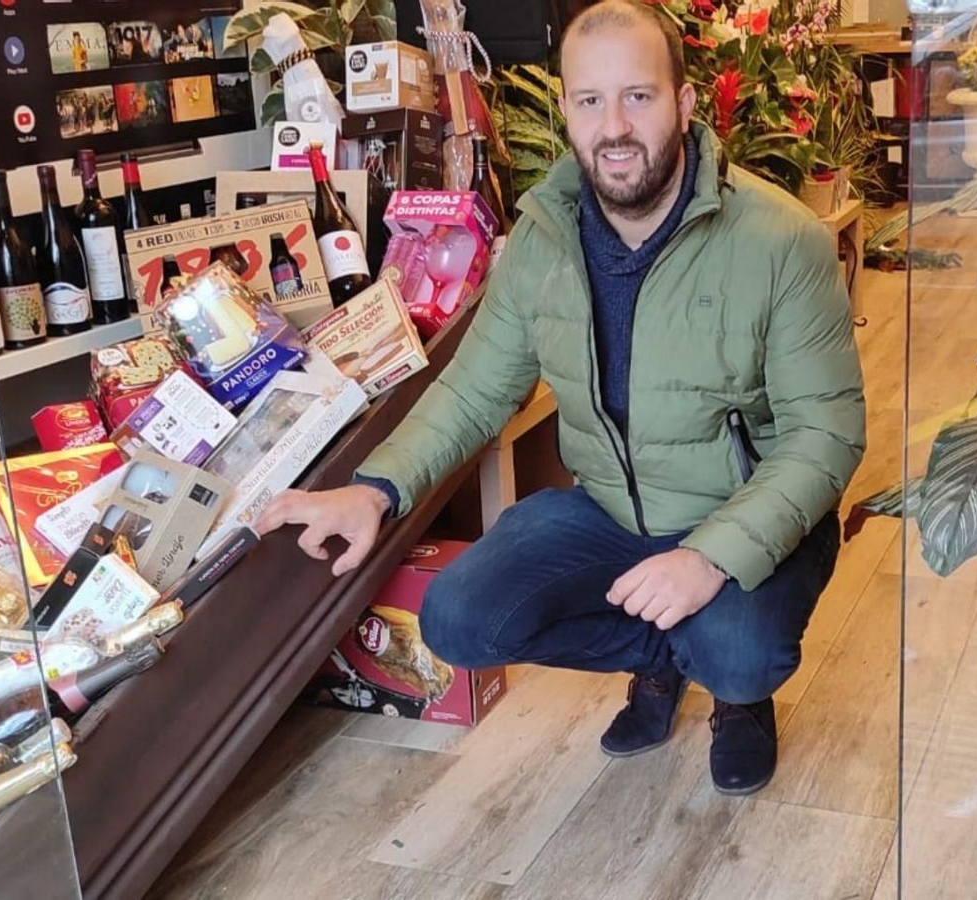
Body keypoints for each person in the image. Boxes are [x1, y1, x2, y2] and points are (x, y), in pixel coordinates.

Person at [257, 0, 864, 795]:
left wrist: (709, 558)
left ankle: (735, 694)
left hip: (742, 510)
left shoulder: (781, 241)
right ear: (567, 112)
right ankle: (665, 656)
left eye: (638, 96)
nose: (615, 127)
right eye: (590, 101)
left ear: (684, 102)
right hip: (610, 509)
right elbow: (475, 389)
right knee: (458, 619)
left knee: (740, 656)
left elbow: (825, 436)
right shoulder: (543, 239)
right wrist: (375, 488)